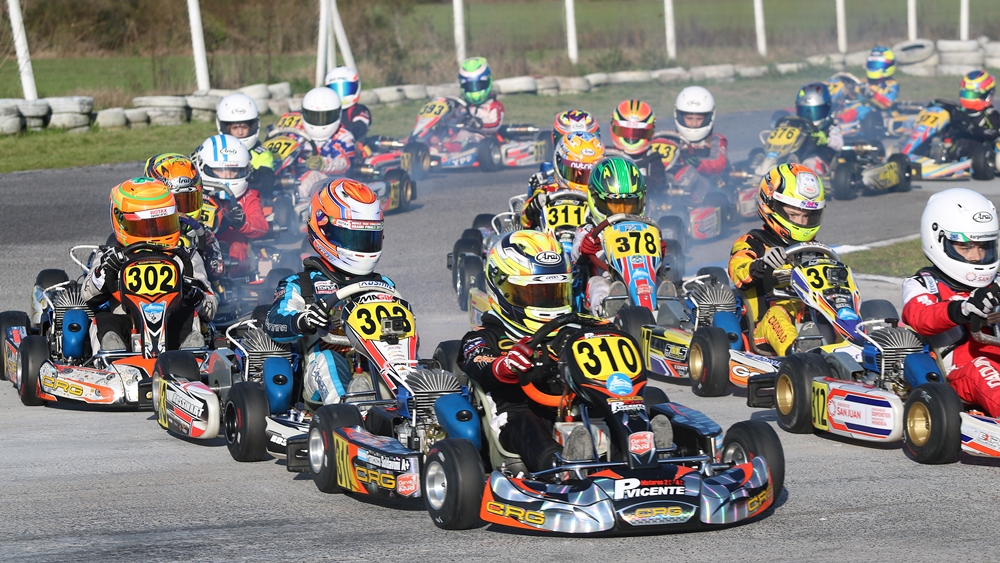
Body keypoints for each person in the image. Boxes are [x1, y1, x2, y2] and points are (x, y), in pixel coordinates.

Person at [459, 230, 589, 472]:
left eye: (554, 292)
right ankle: (559, 468)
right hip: (515, 418)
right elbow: (476, 360)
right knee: (525, 421)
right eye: (534, 294)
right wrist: (505, 365)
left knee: (616, 403)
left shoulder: (574, 331)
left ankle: (642, 446)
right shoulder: (485, 335)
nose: (547, 302)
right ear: (502, 289)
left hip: (576, 408)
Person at [266, 179, 392, 407]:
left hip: (376, 364)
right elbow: (274, 322)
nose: (361, 246)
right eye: (352, 238)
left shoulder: (383, 285)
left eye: (367, 238)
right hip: (318, 367)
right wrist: (303, 321)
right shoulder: (302, 285)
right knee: (329, 360)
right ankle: (349, 412)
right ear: (323, 230)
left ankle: (420, 411)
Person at [82, 178, 216, 352]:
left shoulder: (185, 256)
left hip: (172, 332)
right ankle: (112, 356)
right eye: (146, 226)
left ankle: (191, 356)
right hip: (127, 327)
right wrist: (105, 271)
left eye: (162, 224)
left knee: (189, 316)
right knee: (103, 320)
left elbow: (211, 308)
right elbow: (87, 295)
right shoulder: (110, 256)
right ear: (122, 222)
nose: (154, 232)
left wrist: (193, 293)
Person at [902, 188, 1000, 417]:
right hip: (961, 372)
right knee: (983, 369)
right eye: (966, 247)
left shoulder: (996, 282)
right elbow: (920, 317)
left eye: (983, 246)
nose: (976, 256)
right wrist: (963, 309)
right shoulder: (923, 284)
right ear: (939, 240)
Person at [728, 163, 825, 356]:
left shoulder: (816, 250)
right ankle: (797, 353)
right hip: (765, 328)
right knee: (777, 314)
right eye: (793, 215)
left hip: (809, 322)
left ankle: (859, 346)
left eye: (807, 216)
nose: (801, 222)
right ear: (770, 206)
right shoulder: (753, 243)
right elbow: (738, 272)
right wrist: (761, 264)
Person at [572, 157, 647, 315]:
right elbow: (575, 255)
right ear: (595, 199)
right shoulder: (589, 230)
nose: (622, 213)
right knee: (597, 284)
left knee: (660, 281)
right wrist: (584, 248)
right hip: (608, 280)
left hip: (643, 281)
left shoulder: (646, 228)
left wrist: (660, 250)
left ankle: (665, 307)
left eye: (629, 205)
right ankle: (606, 312)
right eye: (615, 205)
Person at [194, 134, 269, 276]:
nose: (227, 176)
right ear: (204, 168)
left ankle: (221, 278)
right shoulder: (194, 195)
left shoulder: (248, 196)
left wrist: (241, 221)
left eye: (234, 170)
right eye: (220, 170)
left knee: (235, 247)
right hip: (198, 245)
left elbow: (262, 227)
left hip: (232, 256)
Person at [144, 153, 225, 280]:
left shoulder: (203, 232)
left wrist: (207, 253)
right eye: (174, 202)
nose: (180, 210)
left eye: (187, 200)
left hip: (191, 287)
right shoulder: (141, 227)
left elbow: (217, 271)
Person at [521, 131, 605, 229]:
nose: (582, 179)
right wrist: (533, 208)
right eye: (575, 172)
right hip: (549, 237)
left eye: (589, 174)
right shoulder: (549, 190)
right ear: (559, 164)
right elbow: (524, 220)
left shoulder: (602, 196)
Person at [215, 93, 276, 196]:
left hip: (249, 197)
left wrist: (244, 172)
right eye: (235, 128)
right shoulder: (214, 150)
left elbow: (266, 182)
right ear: (226, 128)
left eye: (244, 127)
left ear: (252, 127)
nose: (240, 132)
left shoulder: (262, 154)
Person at [789, 82, 843, 176]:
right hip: (798, 158)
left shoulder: (831, 126)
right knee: (786, 160)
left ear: (826, 109)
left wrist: (827, 140)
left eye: (815, 112)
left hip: (822, 161)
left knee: (809, 163)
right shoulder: (798, 125)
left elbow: (839, 144)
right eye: (804, 112)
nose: (809, 118)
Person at [453, 56, 505, 145]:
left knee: (470, 138)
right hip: (462, 139)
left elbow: (495, 124)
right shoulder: (464, 107)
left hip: (487, 141)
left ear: (487, 82)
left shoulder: (494, 106)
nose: (474, 89)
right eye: (470, 86)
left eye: (479, 85)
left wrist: (476, 124)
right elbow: (455, 121)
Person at [951, 70, 999, 160]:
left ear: (987, 95)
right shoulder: (958, 111)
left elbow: (994, 133)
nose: (968, 98)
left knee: (968, 140)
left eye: (972, 95)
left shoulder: (991, 115)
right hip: (954, 144)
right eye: (966, 94)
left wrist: (972, 129)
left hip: (977, 155)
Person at [325, 66, 372, 141]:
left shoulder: (359, 110)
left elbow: (360, 126)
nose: (340, 95)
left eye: (346, 89)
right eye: (335, 90)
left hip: (351, 145)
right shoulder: (326, 111)